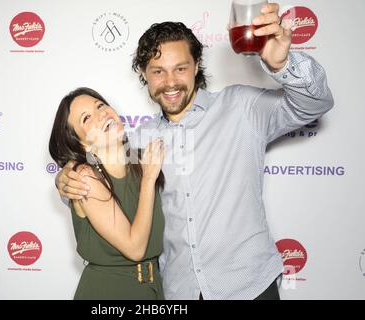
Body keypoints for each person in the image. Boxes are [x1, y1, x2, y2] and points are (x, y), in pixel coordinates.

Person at [56, 3, 334, 299]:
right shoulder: (138, 141)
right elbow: (98, 175)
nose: (170, 82)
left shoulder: (241, 107)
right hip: (179, 289)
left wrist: (282, 65)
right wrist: (65, 179)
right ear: (144, 74)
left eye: (181, 68)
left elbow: (315, 104)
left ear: (197, 64)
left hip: (247, 286)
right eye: (158, 71)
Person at [49, 87, 166, 299]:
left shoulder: (142, 161)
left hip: (153, 290)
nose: (102, 113)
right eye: (86, 118)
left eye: (100, 105)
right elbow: (135, 249)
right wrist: (149, 179)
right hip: (110, 292)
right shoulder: (85, 176)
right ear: (81, 142)